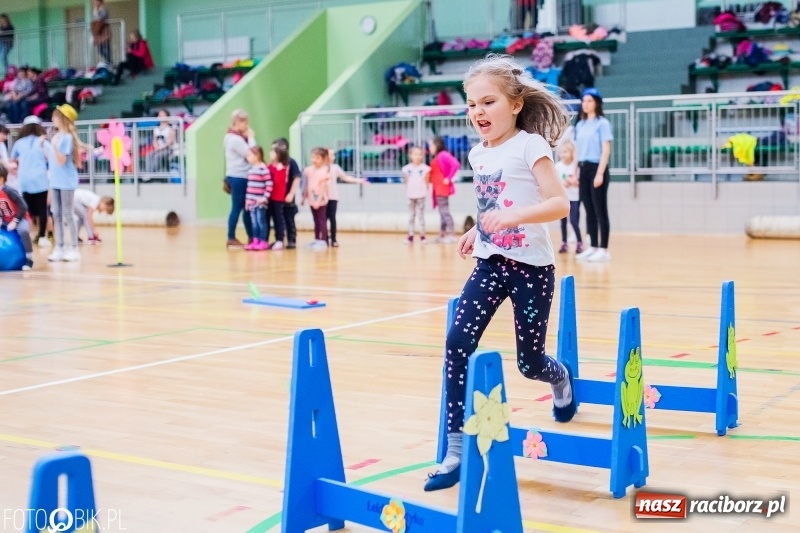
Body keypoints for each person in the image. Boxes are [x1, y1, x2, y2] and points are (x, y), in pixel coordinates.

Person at [424, 54, 576, 492]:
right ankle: (455, 449)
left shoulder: (531, 145)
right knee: (457, 342)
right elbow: (491, 204)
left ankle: (560, 377)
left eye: (488, 102)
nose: (478, 112)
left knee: (530, 363)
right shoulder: (478, 153)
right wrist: (478, 231)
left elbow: (559, 204)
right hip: (490, 263)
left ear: (515, 104)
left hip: (531, 269)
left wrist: (513, 218)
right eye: (472, 104)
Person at [574, 87, 613, 262]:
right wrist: (575, 172)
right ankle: (593, 246)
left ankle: (604, 249)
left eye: (589, 101)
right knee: (588, 209)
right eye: (584, 100)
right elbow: (577, 150)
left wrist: (600, 174)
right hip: (583, 169)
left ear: (596, 103)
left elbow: (606, 150)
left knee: (600, 210)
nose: (586, 104)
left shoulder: (602, 123)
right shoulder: (580, 125)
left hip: (597, 168)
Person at [46, 104, 82, 262]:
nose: (52, 119)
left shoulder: (66, 138)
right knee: (56, 214)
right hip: (55, 181)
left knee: (67, 214)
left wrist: (53, 145)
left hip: (66, 181)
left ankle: (74, 248)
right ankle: (59, 247)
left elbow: (61, 161)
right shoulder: (57, 136)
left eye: (55, 116)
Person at [10, 116, 50, 247]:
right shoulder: (43, 142)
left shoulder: (19, 143)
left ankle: (28, 235)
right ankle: (42, 237)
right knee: (43, 210)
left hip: (25, 180)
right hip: (41, 180)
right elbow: (51, 158)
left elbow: (12, 160)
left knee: (27, 210)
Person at [224, 109, 256, 248]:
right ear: (237, 122)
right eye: (244, 122)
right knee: (237, 208)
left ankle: (251, 237)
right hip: (239, 177)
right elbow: (252, 154)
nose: (247, 125)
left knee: (245, 208)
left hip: (236, 175)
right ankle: (231, 237)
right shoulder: (236, 139)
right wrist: (251, 137)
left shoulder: (229, 136)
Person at [325, 147, 367, 247]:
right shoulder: (321, 168)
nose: (333, 157)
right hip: (322, 197)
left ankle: (333, 239)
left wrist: (359, 180)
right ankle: (324, 238)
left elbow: (345, 177)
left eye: (333, 155)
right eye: (331, 155)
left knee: (332, 218)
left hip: (333, 197)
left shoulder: (335, 167)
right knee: (323, 219)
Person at [0, 164, 33, 270]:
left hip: (20, 218)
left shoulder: (8, 191)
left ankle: (29, 258)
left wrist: (15, 221)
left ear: (1, 179)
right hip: (6, 219)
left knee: (23, 231)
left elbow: (23, 206)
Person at [428, 135, 460, 243]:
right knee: (442, 212)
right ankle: (442, 234)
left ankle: (451, 234)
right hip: (438, 189)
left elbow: (455, 164)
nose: (430, 148)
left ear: (437, 145)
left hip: (442, 188)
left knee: (444, 212)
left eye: (431, 145)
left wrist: (448, 178)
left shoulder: (443, 155)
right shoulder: (438, 156)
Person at [554, 140, 583, 254]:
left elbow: (579, 182)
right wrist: (563, 183)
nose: (563, 154)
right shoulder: (558, 166)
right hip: (563, 199)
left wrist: (573, 182)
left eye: (565, 152)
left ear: (572, 153)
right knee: (563, 222)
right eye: (561, 152)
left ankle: (579, 242)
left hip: (575, 198)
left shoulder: (575, 167)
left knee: (574, 220)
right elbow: (556, 181)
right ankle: (564, 242)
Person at [273, 138, 301, 249]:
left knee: (289, 218)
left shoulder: (291, 162)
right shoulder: (274, 163)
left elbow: (296, 178)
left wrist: (291, 193)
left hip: (287, 196)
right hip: (276, 198)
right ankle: (279, 239)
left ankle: (291, 239)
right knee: (277, 218)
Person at [243, 146, 272, 251]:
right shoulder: (251, 170)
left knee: (261, 222)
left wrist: (265, 198)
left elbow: (269, 184)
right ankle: (255, 241)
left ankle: (263, 241)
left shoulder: (263, 169)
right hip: (251, 202)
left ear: (257, 155)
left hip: (260, 203)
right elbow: (249, 187)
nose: (247, 157)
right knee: (254, 223)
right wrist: (247, 201)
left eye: (249, 155)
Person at [401, 146, 430, 244]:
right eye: (415, 154)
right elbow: (406, 181)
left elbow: (427, 182)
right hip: (410, 196)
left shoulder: (425, 169)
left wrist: (423, 191)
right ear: (410, 155)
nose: (418, 156)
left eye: (420, 154)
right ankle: (410, 235)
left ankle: (422, 236)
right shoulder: (406, 169)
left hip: (421, 196)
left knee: (420, 216)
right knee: (411, 216)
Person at [302, 147, 330, 250]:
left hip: (320, 200)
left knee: (321, 220)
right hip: (311, 199)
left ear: (323, 159)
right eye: (313, 157)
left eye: (317, 158)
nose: (314, 160)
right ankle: (317, 238)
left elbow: (322, 187)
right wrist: (304, 197)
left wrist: (318, 201)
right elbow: (307, 185)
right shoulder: (309, 170)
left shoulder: (324, 171)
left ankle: (323, 240)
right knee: (315, 220)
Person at [267, 143, 289, 250]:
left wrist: (279, 170)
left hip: (278, 198)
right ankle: (268, 239)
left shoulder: (282, 168)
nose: (270, 153)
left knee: (278, 219)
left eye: (273, 152)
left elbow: (276, 181)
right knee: (269, 218)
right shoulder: (270, 166)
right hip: (269, 197)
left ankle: (279, 240)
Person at [144, 109, 176, 175]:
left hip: (167, 149)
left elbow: (170, 141)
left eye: (162, 115)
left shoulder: (171, 128)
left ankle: (153, 174)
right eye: (159, 115)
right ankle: (148, 173)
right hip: (158, 149)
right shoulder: (156, 129)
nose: (160, 116)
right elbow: (154, 140)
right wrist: (156, 147)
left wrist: (161, 147)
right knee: (149, 155)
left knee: (157, 156)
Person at [91, 0, 112, 65]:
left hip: (104, 31)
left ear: (99, 2)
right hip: (98, 32)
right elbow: (95, 19)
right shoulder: (96, 9)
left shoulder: (103, 9)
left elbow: (100, 18)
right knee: (100, 49)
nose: (94, 3)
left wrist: (96, 10)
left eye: (96, 1)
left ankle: (109, 63)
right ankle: (108, 62)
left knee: (105, 48)